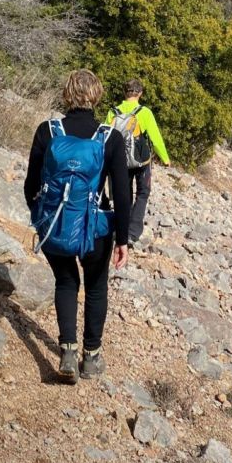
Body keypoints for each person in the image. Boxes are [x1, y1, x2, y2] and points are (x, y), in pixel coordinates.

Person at [24, 70, 130, 384]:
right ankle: (91, 357)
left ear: (66, 95)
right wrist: (122, 238)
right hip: (95, 228)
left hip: (55, 224)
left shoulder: (48, 131)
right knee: (96, 287)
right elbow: (123, 193)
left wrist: (41, 218)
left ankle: (68, 351)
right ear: (96, 96)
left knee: (66, 281)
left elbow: (31, 183)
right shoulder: (110, 137)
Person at [106, 78, 170, 248]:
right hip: (141, 161)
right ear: (140, 93)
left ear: (124, 92)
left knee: (124, 194)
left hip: (119, 161)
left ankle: (121, 229)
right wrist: (165, 158)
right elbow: (155, 138)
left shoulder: (113, 111)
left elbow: (105, 136)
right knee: (143, 192)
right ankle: (133, 232)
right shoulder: (145, 112)